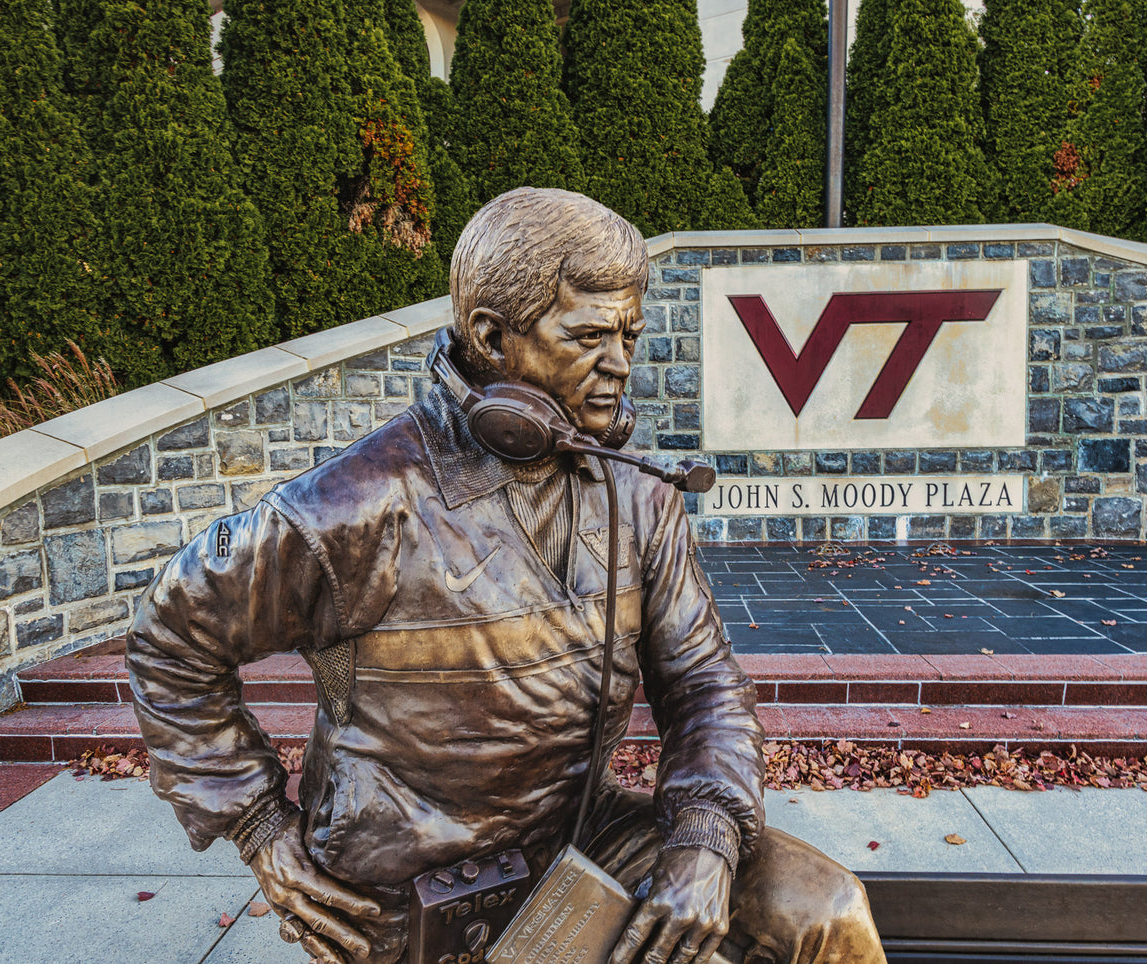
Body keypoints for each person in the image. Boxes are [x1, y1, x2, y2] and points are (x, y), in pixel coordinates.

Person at [127, 188, 886, 964]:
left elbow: (702, 685)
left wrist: (705, 841)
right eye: (587, 335)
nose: (619, 363)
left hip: (580, 839)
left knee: (828, 913)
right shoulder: (350, 507)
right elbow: (170, 641)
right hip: (408, 889)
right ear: (491, 337)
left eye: (628, 334)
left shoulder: (639, 492)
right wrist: (257, 826)